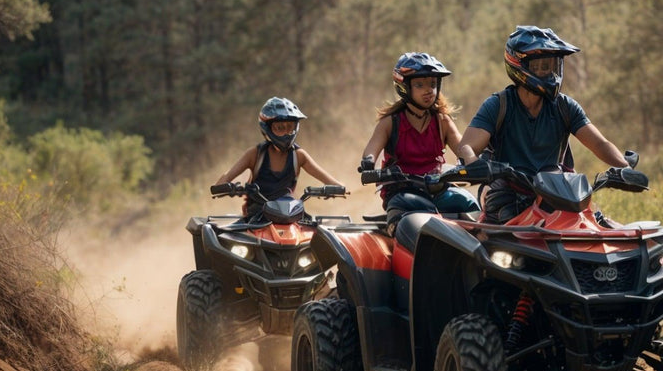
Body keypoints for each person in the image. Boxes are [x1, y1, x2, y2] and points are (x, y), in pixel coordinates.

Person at [457, 25, 630, 224]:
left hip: (558, 192)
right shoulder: (498, 104)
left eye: (548, 66)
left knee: (598, 226)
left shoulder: (565, 106)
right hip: (509, 193)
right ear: (518, 66)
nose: (544, 72)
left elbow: (600, 144)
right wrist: (475, 165)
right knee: (495, 239)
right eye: (537, 66)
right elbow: (466, 147)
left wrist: (624, 167)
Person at [357, 52, 477, 226]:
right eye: (420, 85)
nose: (429, 90)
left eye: (433, 84)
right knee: (406, 215)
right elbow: (371, 149)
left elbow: (463, 147)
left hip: (437, 189)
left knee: (470, 207)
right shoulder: (390, 122)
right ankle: (395, 232)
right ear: (404, 87)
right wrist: (368, 162)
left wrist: (474, 162)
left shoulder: (442, 120)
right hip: (402, 190)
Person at [213, 96, 344, 220]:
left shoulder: (299, 156)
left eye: (290, 127)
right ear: (267, 128)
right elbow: (223, 181)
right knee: (216, 235)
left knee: (321, 238)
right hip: (256, 219)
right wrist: (231, 188)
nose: (286, 132)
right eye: (280, 128)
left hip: (290, 217)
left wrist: (335, 189)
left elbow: (332, 182)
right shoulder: (255, 155)